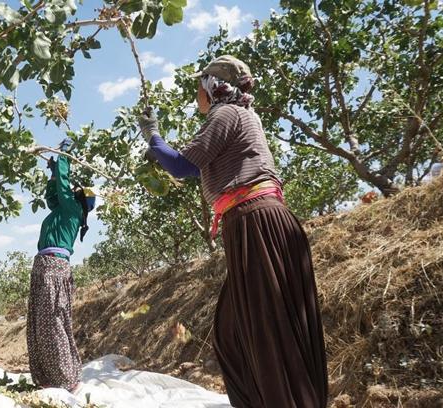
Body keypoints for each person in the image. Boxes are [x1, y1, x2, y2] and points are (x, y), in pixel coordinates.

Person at [138, 55, 328, 407]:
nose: (197, 95)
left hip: (254, 223)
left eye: (199, 88)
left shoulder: (224, 114)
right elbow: (198, 168)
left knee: (258, 330)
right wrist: (159, 151)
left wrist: (152, 135)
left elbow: (182, 166)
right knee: (246, 327)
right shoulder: (243, 115)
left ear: (212, 88)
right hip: (261, 221)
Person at [27, 138, 96, 392]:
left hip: (53, 269)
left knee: (52, 324)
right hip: (44, 267)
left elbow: (64, 189)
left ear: (79, 199)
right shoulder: (62, 211)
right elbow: (52, 196)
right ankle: (49, 377)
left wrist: (63, 157)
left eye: (74, 193)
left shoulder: (72, 210)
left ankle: (66, 379)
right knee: (40, 323)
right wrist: (54, 175)